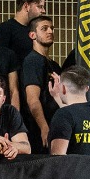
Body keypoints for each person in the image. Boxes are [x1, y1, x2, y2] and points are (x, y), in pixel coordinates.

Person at [19, 15, 61, 149]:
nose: (50, 31)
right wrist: (44, 127)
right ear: (32, 35)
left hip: (54, 126)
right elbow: (32, 99)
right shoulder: (32, 61)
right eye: (44, 28)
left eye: (52, 28)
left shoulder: (54, 65)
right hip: (38, 131)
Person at [46, 68, 90, 155]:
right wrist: (57, 97)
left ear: (63, 88)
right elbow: (75, 115)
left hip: (70, 164)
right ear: (87, 88)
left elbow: (58, 157)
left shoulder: (63, 114)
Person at [0, 0, 46, 72]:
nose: (43, 11)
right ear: (26, 6)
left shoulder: (36, 30)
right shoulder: (4, 29)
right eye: (40, 6)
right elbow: (0, 62)